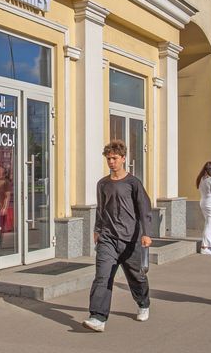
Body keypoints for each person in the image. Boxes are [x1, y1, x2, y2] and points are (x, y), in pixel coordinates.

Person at [83, 140, 153, 333]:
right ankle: (98, 317)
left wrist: (146, 233)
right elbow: (100, 209)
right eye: (108, 159)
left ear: (123, 158)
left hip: (130, 240)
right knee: (102, 277)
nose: (111, 162)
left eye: (114, 158)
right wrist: (97, 230)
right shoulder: (102, 184)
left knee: (136, 277)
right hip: (108, 239)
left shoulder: (133, 183)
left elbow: (144, 209)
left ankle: (143, 303)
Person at [196, 161, 211, 255]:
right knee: (208, 226)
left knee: (208, 224)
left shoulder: (201, 178)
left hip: (203, 202)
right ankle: (204, 247)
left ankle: (209, 246)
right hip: (210, 204)